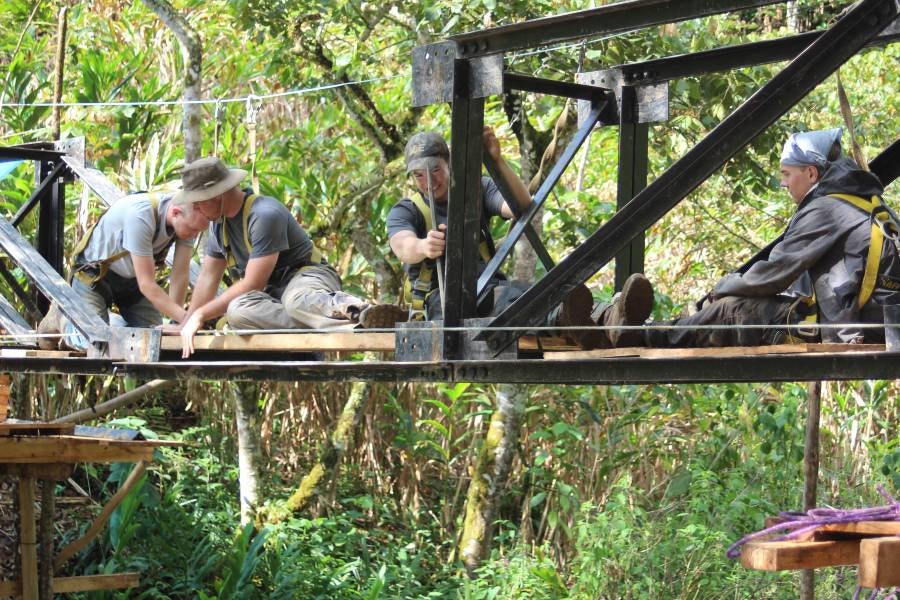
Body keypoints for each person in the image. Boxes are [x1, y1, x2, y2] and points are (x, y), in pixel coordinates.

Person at [598, 127, 900, 347]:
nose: (783, 183)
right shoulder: (868, 204)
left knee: (731, 310)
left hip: (853, 329)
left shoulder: (826, 208)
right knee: (736, 305)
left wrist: (723, 287)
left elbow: (773, 274)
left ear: (811, 173)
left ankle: (638, 335)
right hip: (879, 326)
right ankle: (626, 323)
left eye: (786, 174)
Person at [386, 128, 600, 348]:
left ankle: (609, 314)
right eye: (419, 175)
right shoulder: (408, 210)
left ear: (450, 163)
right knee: (509, 302)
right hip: (443, 302)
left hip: (489, 286)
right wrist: (424, 246)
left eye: (435, 170)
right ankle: (564, 318)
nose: (429, 181)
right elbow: (402, 245)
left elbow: (521, 207)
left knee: (532, 291)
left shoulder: (477, 189)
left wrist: (497, 162)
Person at [176, 157, 406, 358]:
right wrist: (186, 323)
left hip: (306, 277)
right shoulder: (219, 226)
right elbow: (208, 277)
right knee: (238, 312)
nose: (195, 208)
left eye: (199, 201)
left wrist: (202, 314)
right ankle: (338, 322)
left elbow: (252, 283)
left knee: (295, 301)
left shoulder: (264, 214)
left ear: (218, 194)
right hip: (272, 296)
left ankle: (359, 311)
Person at [37, 189, 210, 349]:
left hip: (131, 281)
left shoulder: (188, 222)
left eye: (198, 231)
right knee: (95, 341)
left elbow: (179, 274)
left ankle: (107, 323)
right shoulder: (141, 215)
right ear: (175, 212)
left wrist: (176, 325)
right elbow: (147, 285)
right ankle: (63, 317)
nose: (194, 235)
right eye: (193, 230)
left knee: (154, 340)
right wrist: (187, 319)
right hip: (94, 276)